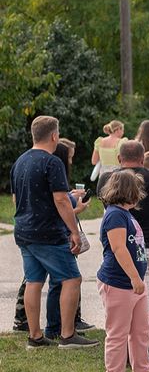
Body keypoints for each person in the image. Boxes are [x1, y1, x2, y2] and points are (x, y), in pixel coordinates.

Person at [13, 116, 98, 349]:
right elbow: (61, 200)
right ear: (54, 136)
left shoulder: (19, 162)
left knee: (34, 281)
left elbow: (15, 198)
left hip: (24, 230)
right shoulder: (52, 163)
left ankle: (35, 336)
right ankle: (68, 335)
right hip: (48, 233)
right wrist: (73, 231)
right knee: (72, 278)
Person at [98, 141, 149, 367]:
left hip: (117, 248)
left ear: (120, 159)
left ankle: (124, 352)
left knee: (121, 304)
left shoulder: (107, 179)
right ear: (143, 158)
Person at [97, 169, 149, 372]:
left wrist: (138, 279)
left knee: (141, 331)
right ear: (129, 192)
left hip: (135, 285)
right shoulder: (115, 215)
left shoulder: (126, 214)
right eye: (137, 191)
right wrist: (134, 277)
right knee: (117, 333)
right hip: (119, 283)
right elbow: (118, 248)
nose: (139, 196)